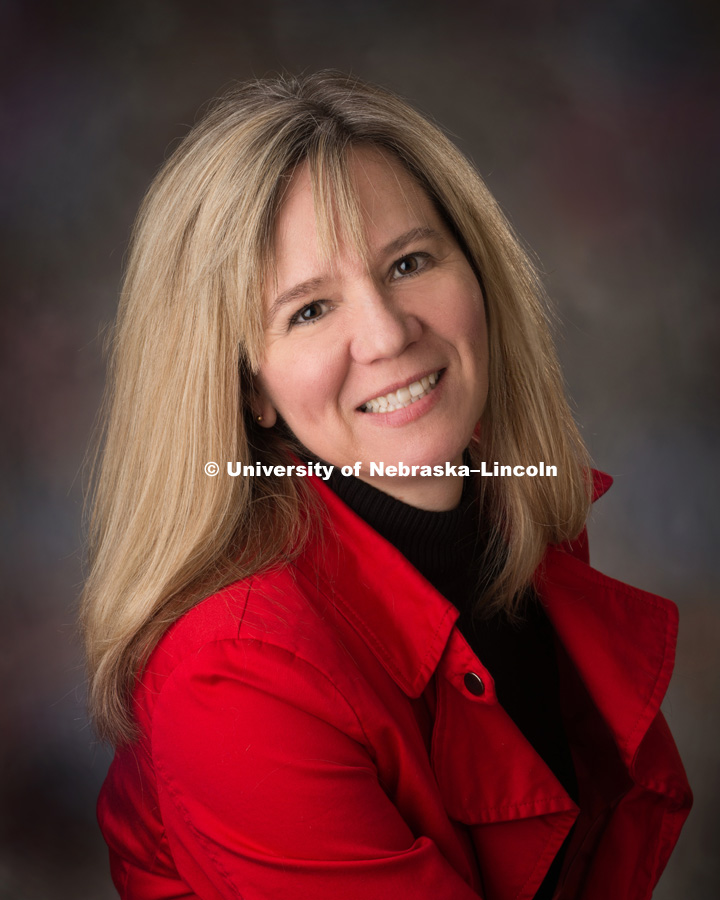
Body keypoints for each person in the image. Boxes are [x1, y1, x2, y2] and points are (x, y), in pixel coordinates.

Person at [82, 72, 691, 900]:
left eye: (408, 262)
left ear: (478, 271)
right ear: (249, 389)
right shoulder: (233, 676)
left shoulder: (510, 523)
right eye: (308, 311)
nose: (386, 332)